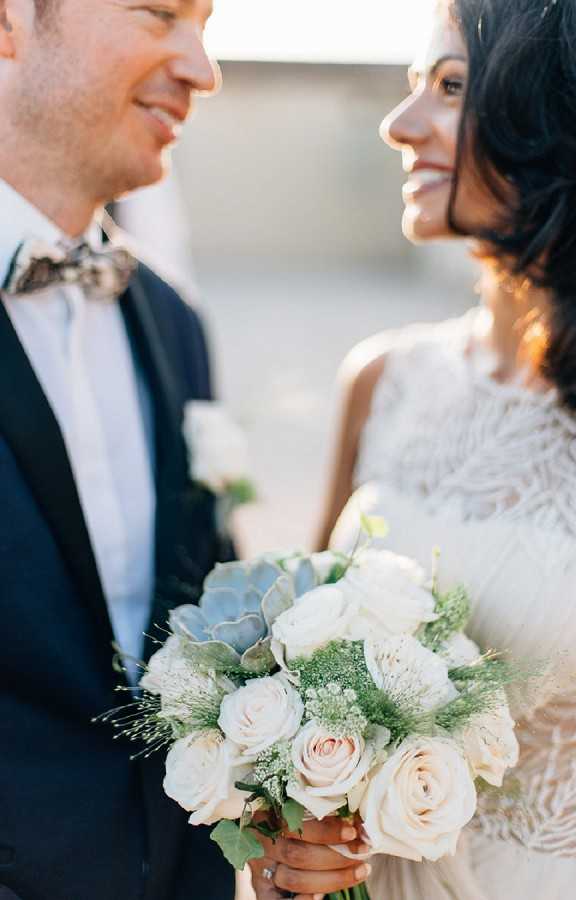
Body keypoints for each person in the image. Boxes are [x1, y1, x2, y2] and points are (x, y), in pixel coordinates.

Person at [0, 2, 357, 899]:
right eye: (160, 13)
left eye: (207, 26)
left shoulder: (171, 322)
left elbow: (200, 625)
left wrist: (285, 816)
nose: (203, 68)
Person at [319, 0, 576, 898]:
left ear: (552, 112)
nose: (400, 128)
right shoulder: (383, 380)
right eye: (411, 88)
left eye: (448, 88)